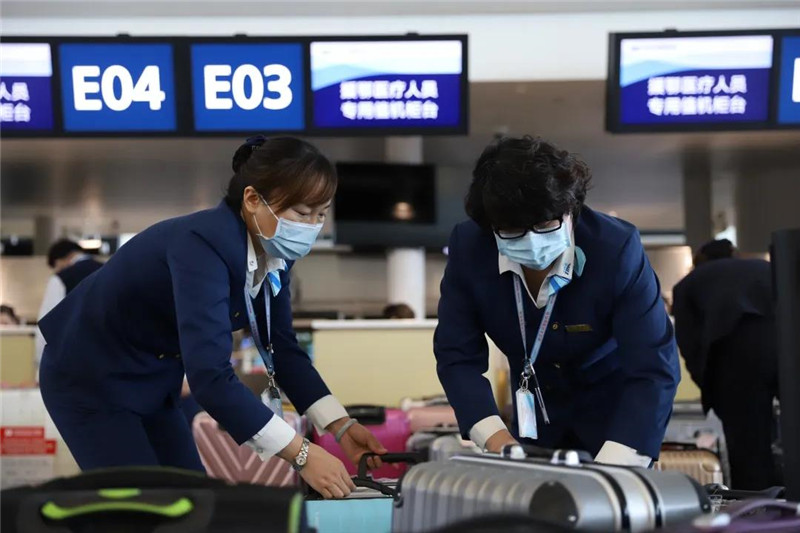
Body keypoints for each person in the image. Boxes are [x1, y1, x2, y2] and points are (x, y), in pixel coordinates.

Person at [38, 136, 386, 499]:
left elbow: (280, 346)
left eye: (321, 213)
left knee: (192, 500)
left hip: (154, 380)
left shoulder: (274, 249)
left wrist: (340, 425)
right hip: (89, 378)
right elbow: (210, 377)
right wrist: (301, 454)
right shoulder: (201, 244)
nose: (311, 226)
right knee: (138, 508)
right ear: (253, 200)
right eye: (301, 213)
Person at [435, 136, 678, 466]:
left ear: (571, 210)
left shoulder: (616, 249)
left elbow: (653, 367)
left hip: (616, 419)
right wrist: (495, 438)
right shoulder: (470, 248)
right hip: (533, 421)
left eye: (546, 225)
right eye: (513, 231)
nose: (532, 243)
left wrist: (617, 470)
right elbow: (457, 356)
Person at [672, 239, 778, 489]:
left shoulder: (688, 284)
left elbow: (689, 343)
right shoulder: (765, 268)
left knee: (749, 445)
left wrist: (709, 386)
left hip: (733, 357)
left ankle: (758, 511)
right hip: (785, 346)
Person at [35, 240, 104, 364]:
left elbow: (46, 327)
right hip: (112, 359)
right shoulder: (109, 271)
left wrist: (40, 365)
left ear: (63, 259)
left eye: (56, 266)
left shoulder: (62, 278)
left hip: (75, 360)